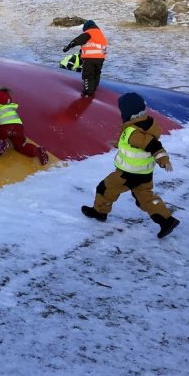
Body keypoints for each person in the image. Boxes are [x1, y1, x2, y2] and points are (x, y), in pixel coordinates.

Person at [81, 92, 180, 238]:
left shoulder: (133, 131)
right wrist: (119, 144)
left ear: (128, 112)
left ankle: (99, 212)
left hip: (127, 173)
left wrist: (163, 159)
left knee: (105, 188)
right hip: (144, 174)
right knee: (145, 198)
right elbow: (139, 145)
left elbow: (153, 145)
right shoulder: (146, 124)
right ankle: (167, 220)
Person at [0, 82, 49, 165]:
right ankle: (37, 150)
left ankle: (1, 144)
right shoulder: (8, 101)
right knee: (20, 145)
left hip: (3, 128)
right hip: (18, 127)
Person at [62, 19, 107, 98]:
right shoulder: (100, 34)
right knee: (96, 73)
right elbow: (94, 45)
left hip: (90, 58)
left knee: (88, 74)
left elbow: (77, 40)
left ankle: (88, 92)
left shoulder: (89, 33)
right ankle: (94, 88)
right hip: (100, 58)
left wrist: (68, 47)